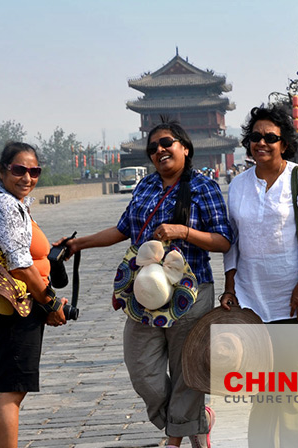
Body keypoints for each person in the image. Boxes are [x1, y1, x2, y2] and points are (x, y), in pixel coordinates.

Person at [63, 121, 231, 448]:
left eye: (166, 143)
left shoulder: (203, 187)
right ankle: (197, 421)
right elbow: (122, 229)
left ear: (184, 147)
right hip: (145, 294)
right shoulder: (145, 187)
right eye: (152, 147)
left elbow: (223, 240)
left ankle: (175, 440)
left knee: (186, 373)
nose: (159, 150)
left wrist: (182, 232)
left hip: (190, 292)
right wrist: (78, 244)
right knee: (143, 372)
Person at [220, 105, 298, 447]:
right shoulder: (238, 185)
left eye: (270, 137)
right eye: (255, 137)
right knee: (261, 388)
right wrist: (229, 286)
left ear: (284, 143)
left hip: (290, 294)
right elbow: (232, 240)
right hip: (251, 296)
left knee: (294, 386)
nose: (261, 143)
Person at [0, 142, 69, 448]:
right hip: (15, 308)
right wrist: (52, 303)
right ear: (2, 171)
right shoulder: (5, 205)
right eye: (18, 170)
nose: (27, 177)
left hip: (14, 306)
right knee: (10, 392)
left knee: (6, 387)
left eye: (34, 171)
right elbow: (19, 265)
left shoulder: (12, 202)